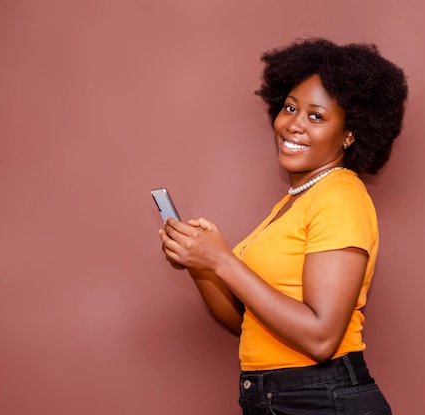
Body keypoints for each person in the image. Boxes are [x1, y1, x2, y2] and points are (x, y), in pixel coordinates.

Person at [159, 37, 408, 415]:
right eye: (290, 108)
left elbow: (322, 338)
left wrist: (224, 261)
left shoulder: (339, 196)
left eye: (316, 116)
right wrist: (201, 264)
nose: (293, 124)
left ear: (349, 134)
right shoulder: (292, 205)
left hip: (319, 397)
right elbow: (247, 323)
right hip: (276, 396)